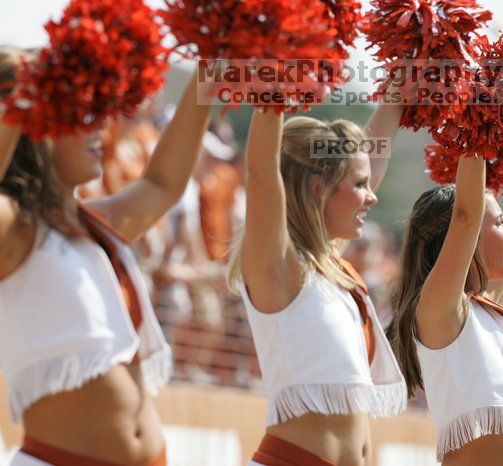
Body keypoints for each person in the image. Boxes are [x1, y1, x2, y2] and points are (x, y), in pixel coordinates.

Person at [0, 47, 213, 465]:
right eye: (78, 114)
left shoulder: (93, 223)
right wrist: (17, 101)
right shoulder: (14, 229)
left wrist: (214, 65)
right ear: (33, 127)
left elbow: (163, 184)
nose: (100, 125)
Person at [227, 95, 407, 465]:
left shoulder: (331, 265)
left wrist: (397, 92)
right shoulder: (279, 266)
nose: (372, 196)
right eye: (360, 185)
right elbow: (262, 173)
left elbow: (370, 156)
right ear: (316, 188)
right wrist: (271, 88)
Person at [391, 152, 503, 466]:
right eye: (500, 223)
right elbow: (466, 217)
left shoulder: (489, 310)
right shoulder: (440, 311)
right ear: (465, 239)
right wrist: (476, 136)